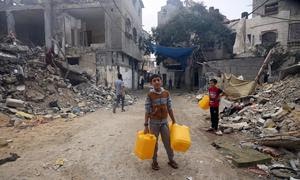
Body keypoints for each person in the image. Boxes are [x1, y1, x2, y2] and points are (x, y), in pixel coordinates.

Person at [144, 74, 178, 170]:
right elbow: (147, 110)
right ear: (151, 83)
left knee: (168, 142)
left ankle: (171, 160)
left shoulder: (166, 93)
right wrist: (146, 125)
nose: (156, 82)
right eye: (154, 81)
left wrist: (174, 121)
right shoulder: (150, 95)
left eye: (158, 80)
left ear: (161, 81)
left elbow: (170, 108)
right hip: (154, 123)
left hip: (164, 123)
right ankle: (154, 162)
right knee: (154, 144)